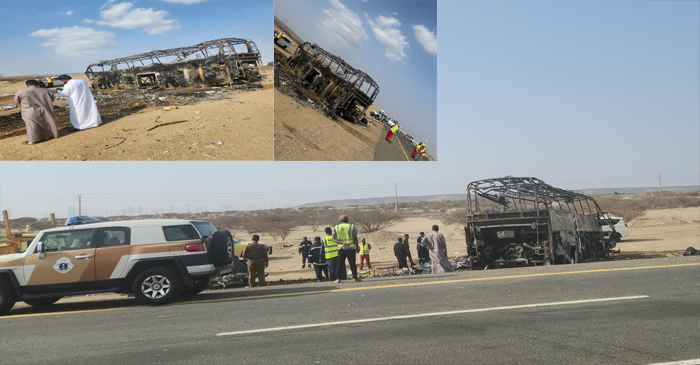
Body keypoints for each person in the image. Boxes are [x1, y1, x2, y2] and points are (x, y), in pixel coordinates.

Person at [13, 79, 59, 145]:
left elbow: (17, 101)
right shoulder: (46, 90)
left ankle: (32, 140)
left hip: (29, 111)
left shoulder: (21, 92)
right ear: (38, 84)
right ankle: (47, 136)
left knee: (31, 125)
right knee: (46, 122)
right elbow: (53, 98)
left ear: (27, 85)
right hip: (46, 110)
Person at [333, 215, 361, 283]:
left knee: (340, 264)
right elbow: (355, 238)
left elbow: (333, 239)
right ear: (348, 220)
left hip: (341, 248)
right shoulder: (352, 226)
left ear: (340, 220)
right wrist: (357, 247)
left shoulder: (337, 227)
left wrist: (341, 242)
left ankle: (338, 279)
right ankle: (355, 278)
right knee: (352, 264)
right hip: (351, 248)